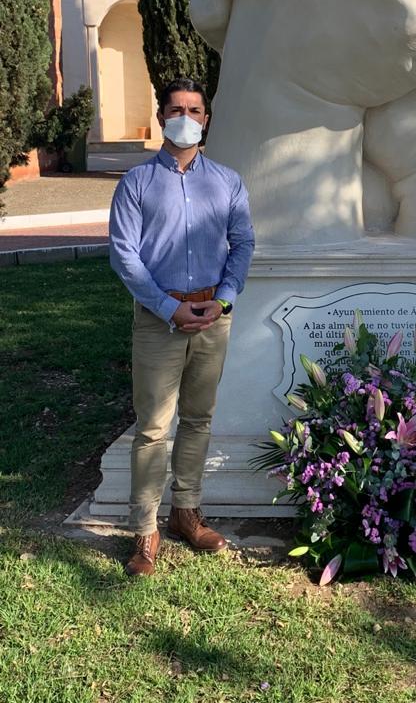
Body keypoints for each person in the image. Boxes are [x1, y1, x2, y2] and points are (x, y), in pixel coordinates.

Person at [109, 77, 255, 576]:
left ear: (206, 118)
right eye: (177, 109)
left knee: (198, 419)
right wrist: (167, 307)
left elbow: (243, 245)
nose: (186, 118)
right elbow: (125, 257)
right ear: (161, 116)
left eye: (195, 110)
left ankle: (186, 514)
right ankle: (145, 531)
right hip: (158, 321)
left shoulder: (228, 182)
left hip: (212, 317)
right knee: (152, 429)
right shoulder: (136, 183)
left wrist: (225, 300)